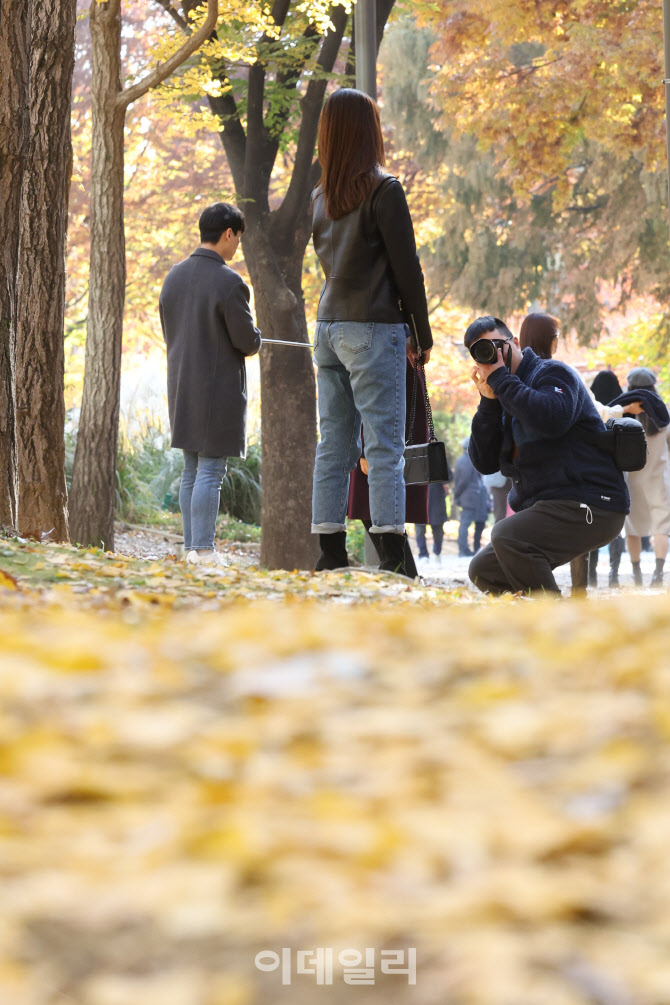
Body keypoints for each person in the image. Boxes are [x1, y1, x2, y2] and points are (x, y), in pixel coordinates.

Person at [310, 88, 433, 577]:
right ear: (369, 130)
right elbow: (409, 270)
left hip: (327, 328)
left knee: (333, 444)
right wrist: (421, 334)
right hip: (374, 328)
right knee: (384, 446)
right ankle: (394, 557)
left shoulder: (320, 198)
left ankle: (329, 552)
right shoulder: (385, 190)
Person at [465, 316, 629, 595]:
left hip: (592, 501)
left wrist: (501, 381)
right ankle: (533, 623)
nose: (492, 355)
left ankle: (556, 624)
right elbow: (485, 461)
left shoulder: (553, 373)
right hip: (549, 506)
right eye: (482, 351)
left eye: (497, 345)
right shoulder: (502, 391)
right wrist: (488, 403)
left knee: (507, 536)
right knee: (484, 570)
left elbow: (551, 418)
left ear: (515, 343)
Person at [159, 202, 261, 567]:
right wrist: (258, 337)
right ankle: (203, 550)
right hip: (217, 390)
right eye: (238, 238)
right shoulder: (229, 282)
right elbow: (246, 341)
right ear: (229, 233)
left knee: (192, 468)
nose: (237, 247)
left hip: (182, 384)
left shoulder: (173, 276)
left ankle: (192, 548)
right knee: (212, 471)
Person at [347, 359, 430, 578]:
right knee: (378, 509)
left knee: (376, 508)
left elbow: (373, 397)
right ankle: (405, 575)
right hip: (393, 438)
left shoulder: (393, 352)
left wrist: (365, 447)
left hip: (383, 441)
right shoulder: (407, 357)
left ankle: (404, 575)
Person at [615, 367, 670, 586]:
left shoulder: (624, 414)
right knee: (661, 525)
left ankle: (636, 573)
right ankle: (658, 574)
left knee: (633, 527)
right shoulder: (664, 414)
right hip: (659, 477)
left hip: (631, 480)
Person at [453, 437, 489, 557]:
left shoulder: (465, 460)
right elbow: (463, 481)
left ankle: (473, 549)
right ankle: (463, 550)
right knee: (465, 524)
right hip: (470, 497)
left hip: (474, 497)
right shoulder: (466, 460)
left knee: (475, 523)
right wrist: (456, 495)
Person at [415, 482, 448, 566]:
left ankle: (437, 552)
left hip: (436, 497)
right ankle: (423, 554)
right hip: (419, 495)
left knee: (438, 530)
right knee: (419, 529)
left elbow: (448, 477)